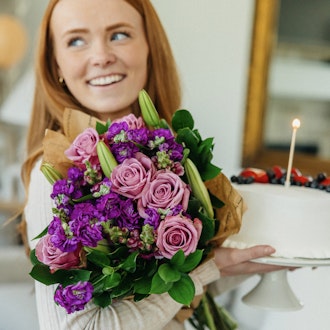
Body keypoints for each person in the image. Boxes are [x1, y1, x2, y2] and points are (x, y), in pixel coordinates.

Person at [21, 0, 285, 329]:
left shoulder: (171, 153)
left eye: (119, 34)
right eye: (76, 40)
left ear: (150, 47)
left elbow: (175, 298)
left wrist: (259, 260)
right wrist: (209, 268)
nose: (101, 55)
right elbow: (80, 327)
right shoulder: (56, 178)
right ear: (55, 64)